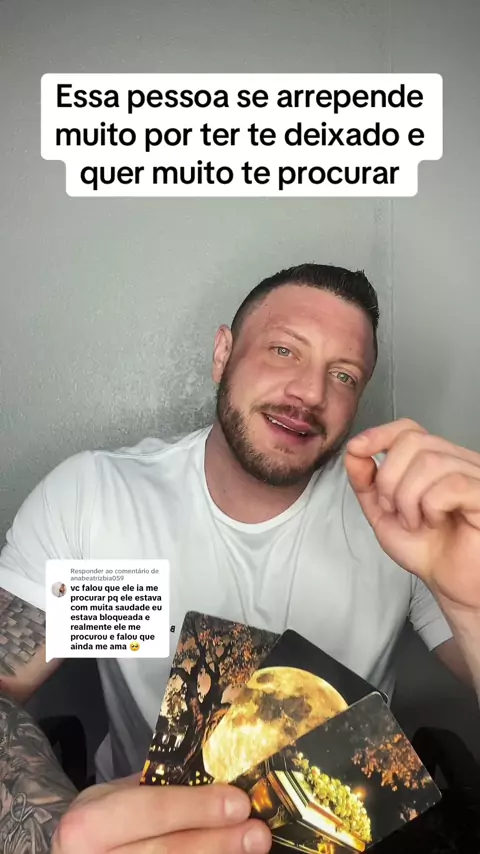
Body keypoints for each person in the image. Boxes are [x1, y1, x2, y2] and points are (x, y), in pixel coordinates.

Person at [0, 263, 479, 854]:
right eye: (284, 350)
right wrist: (55, 832)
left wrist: (472, 602)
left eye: (344, 375)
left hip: (344, 837)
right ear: (223, 353)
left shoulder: (404, 514)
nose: (311, 393)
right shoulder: (98, 501)